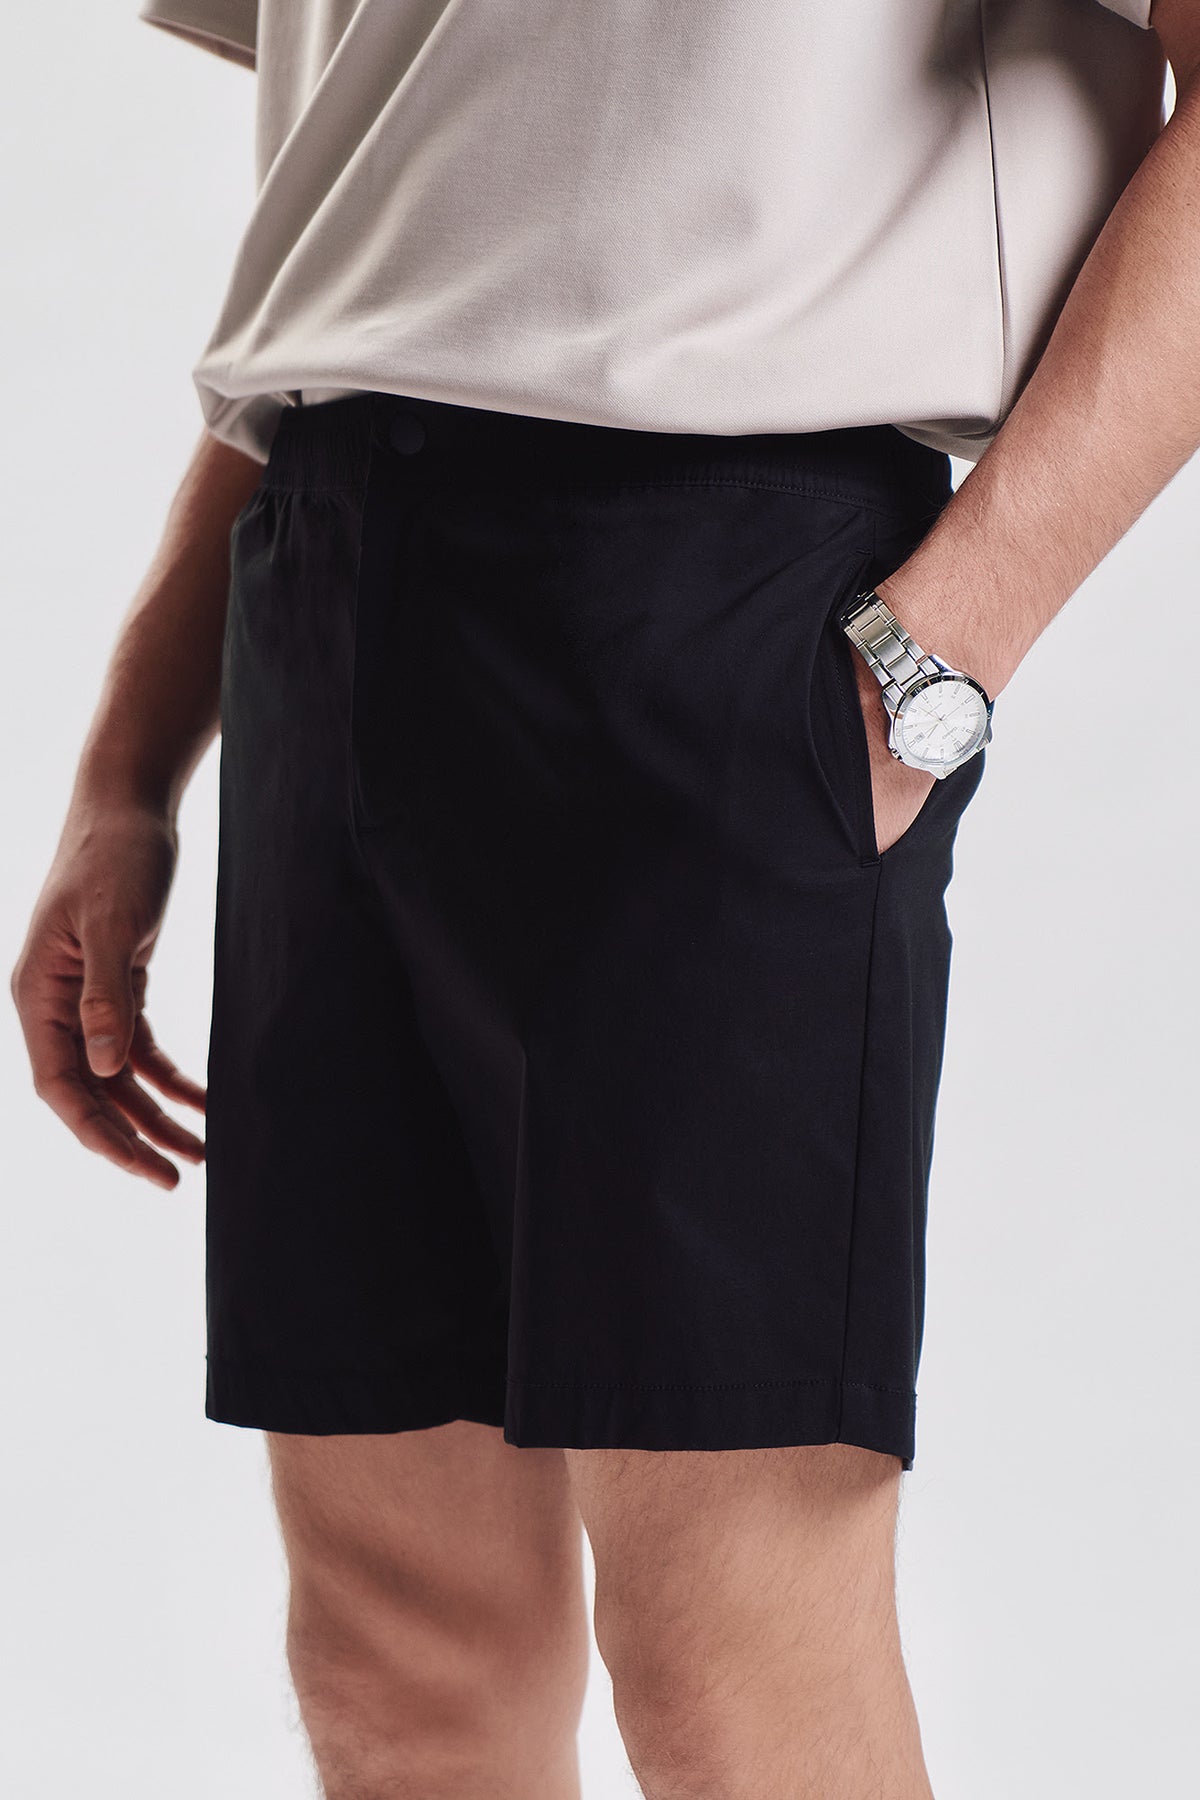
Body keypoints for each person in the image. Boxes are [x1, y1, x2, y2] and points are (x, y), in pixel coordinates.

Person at [10, 2, 1197, 1794]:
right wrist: (128, 765)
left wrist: (937, 658)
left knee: (731, 1667)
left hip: (725, 607)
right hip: (329, 578)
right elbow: (367, 216)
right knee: (394, 1646)